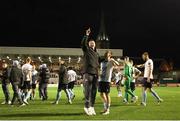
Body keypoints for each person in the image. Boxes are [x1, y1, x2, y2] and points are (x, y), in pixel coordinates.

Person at [81, 28, 100, 116]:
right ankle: (86, 106)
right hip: (88, 73)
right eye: (90, 42)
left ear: (95, 45)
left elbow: (101, 60)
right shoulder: (87, 50)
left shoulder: (96, 54)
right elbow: (83, 44)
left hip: (95, 74)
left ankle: (91, 106)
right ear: (88, 44)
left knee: (94, 91)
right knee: (88, 91)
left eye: (93, 42)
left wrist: (109, 58)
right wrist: (86, 35)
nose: (92, 43)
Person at [98, 50, 119, 115]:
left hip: (107, 80)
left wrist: (113, 60)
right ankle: (105, 108)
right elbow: (100, 70)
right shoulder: (102, 62)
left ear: (110, 55)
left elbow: (117, 64)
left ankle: (108, 109)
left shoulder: (111, 61)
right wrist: (99, 73)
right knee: (101, 94)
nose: (107, 54)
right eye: (107, 53)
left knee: (107, 94)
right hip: (101, 79)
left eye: (109, 53)